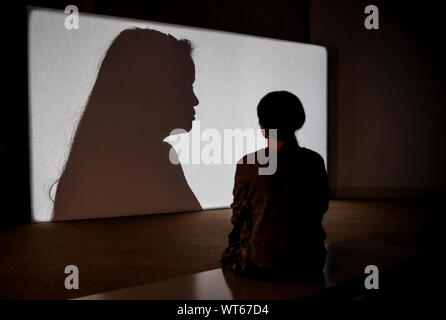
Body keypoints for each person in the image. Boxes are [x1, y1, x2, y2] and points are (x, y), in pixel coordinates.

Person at [52, 28, 202, 220]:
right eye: (184, 85)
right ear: (154, 88)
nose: (194, 99)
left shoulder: (85, 170)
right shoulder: (155, 160)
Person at [220, 91, 328, 283]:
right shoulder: (314, 161)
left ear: (262, 127)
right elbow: (321, 206)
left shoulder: (249, 164)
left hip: (263, 262)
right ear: (299, 121)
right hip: (311, 259)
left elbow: (238, 216)